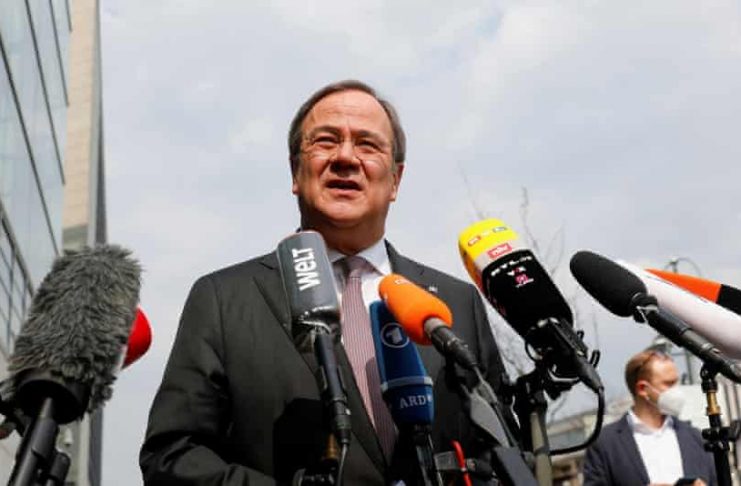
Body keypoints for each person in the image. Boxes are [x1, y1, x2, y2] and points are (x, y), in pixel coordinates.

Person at [140, 80, 511, 485]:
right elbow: (172, 457)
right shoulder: (223, 300)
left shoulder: (456, 304)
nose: (346, 158)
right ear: (295, 172)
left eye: (368, 144)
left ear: (396, 180)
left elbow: (504, 454)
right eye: (326, 141)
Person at [583, 350, 716, 486]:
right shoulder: (605, 443)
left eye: (677, 382)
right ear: (642, 389)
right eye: (669, 384)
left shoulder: (695, 437)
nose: (677, 390)